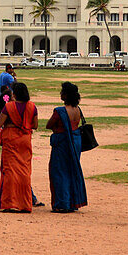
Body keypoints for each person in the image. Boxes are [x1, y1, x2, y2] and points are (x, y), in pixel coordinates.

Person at [0, 82, 37, 213]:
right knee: (24, 170)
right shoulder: (32, 106)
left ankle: (10, 202)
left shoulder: (9, 106)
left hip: (11, 139)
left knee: (10, 170)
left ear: (15, 94)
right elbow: (35, 125)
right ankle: (25, 203)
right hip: (25, 139)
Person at [45, 82, 87, 213]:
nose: (60, 94)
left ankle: (62, 203)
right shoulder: (78, 109)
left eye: (62, 92)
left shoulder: (60, 111)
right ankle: (73, 202)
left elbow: (49, 124)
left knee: (59, 172)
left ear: (66, 95)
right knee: (71, 170)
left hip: (62, 143)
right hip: (75, 141)